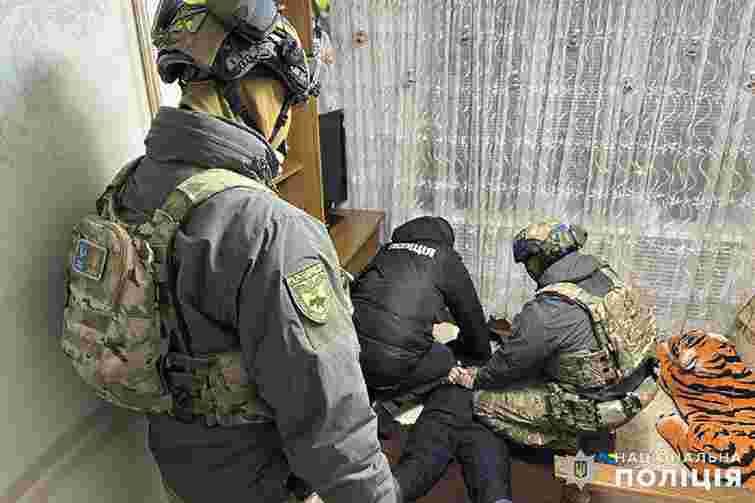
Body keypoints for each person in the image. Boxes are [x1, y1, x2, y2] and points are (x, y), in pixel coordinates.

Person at [111, 2, 399, 502]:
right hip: (261, 481)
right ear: (252, 87)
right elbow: (333, 424)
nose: (286, 124)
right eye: (286, 97)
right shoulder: (270, 229)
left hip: (180, 467)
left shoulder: (134, 184)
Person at [448, 220, 660, 503]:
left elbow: (506, 367)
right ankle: (590, 439)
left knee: (478, 401)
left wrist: (472, 377)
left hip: (597, 409)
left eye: (527, 262)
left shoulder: (548, 309)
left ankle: (576, 446)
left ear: (537, 261)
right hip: (638, 388)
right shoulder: (606, 274)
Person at [350, 216, 493, 402]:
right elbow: (472, 317)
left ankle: (370, 387)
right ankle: (386, 398)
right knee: (446, 357)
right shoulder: (446, 258)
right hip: (388, 371)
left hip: (353, 358)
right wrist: (481, 356)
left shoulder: (385, 250)